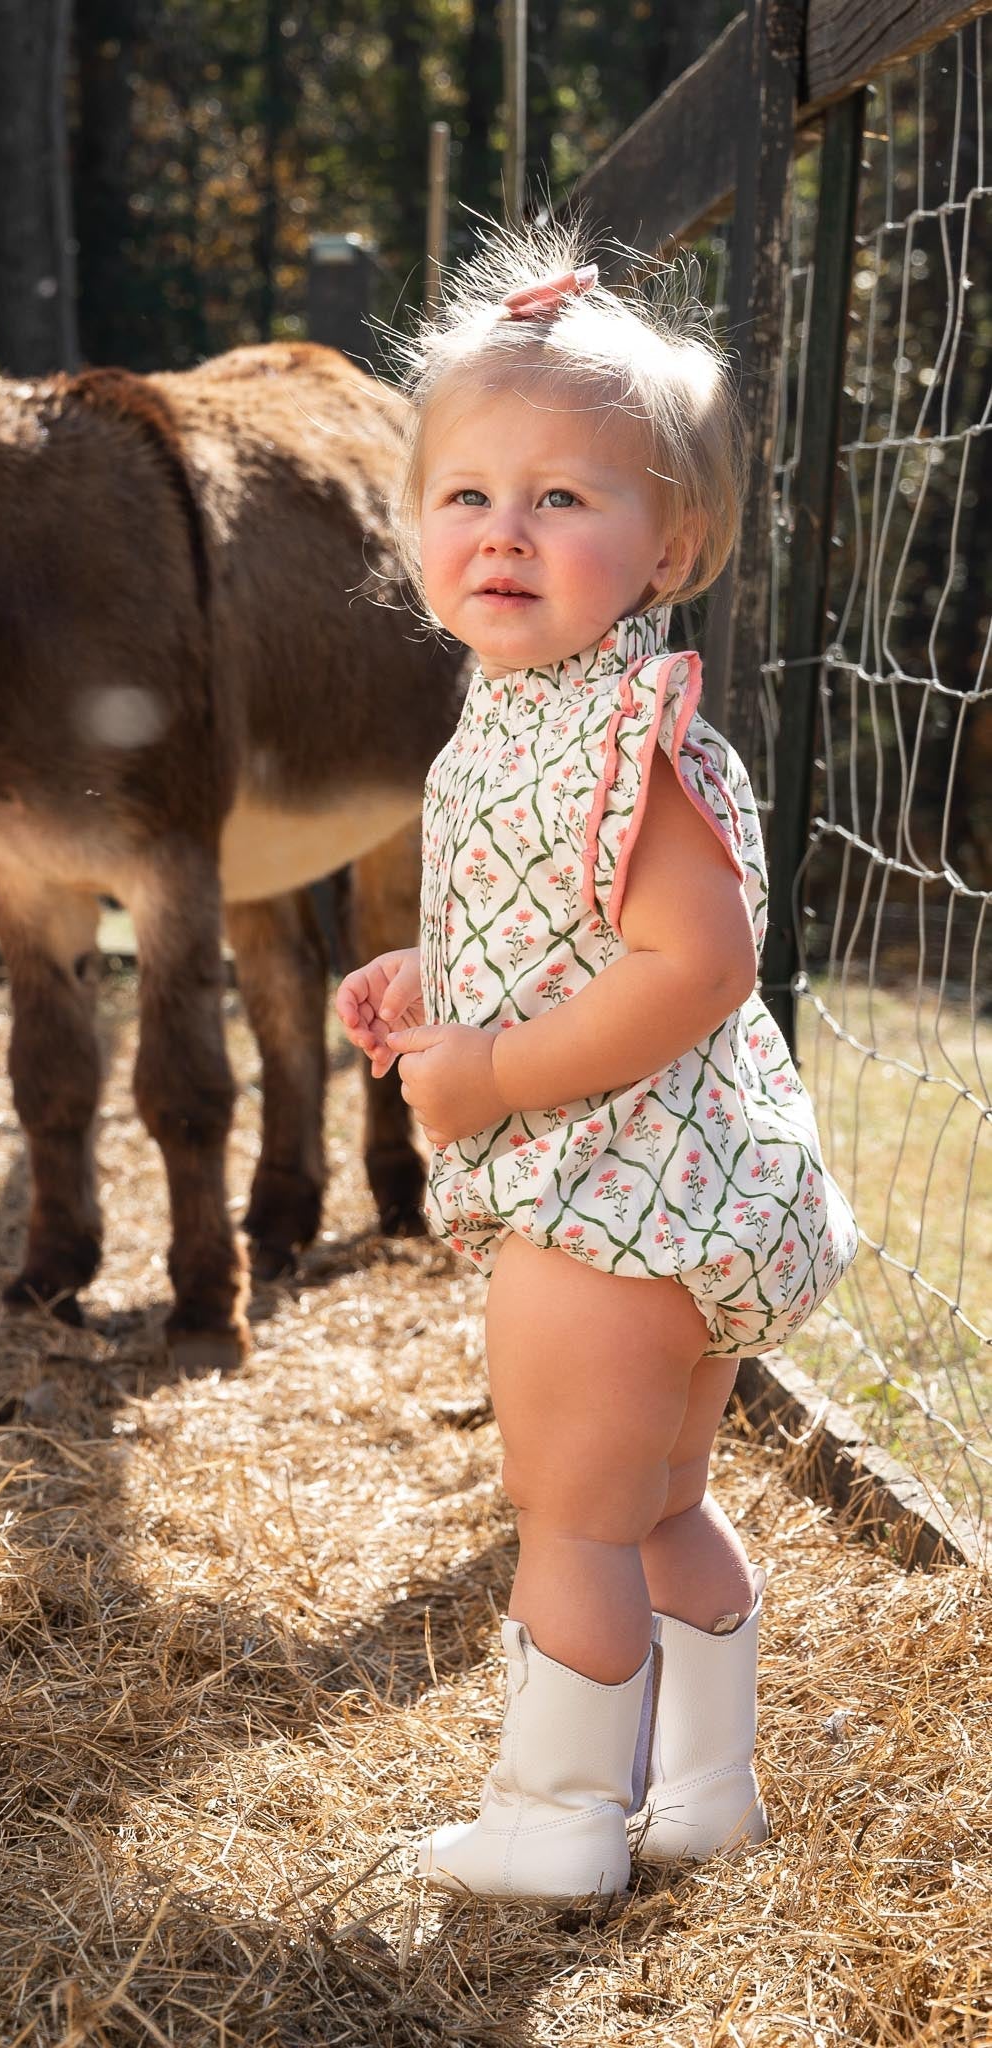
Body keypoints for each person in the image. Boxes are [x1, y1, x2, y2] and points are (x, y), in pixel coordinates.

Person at [335, 226, 858, 1900]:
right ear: (411, 523)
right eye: (467, 493)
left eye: (564, 499)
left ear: (668, 541)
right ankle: (700, 1787)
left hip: (613, 1190)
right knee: (646, 1503)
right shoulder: (528, 707)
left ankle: (556, 1817)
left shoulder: (632, 732)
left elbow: (697, 964)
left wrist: (487, 1075)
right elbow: (563, 917)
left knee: (567, 1514)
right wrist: (440, 974)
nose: (504, 530)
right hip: (661, 1190)